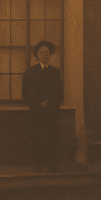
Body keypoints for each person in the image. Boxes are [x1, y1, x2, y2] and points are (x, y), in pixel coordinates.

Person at [22, 40, 63, 173]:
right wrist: (38, 104)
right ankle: (38, 163)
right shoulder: (31, 72)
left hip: (52, 111)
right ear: (37, 55)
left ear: (50, 54)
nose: (44, 55)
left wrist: (49, 103)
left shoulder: (55, 72)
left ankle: (52, 164)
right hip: (37, 111)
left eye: (46, 52)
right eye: (41, 52)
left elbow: (58, 92)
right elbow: (27, 91)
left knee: (53, 137)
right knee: (37, 137)